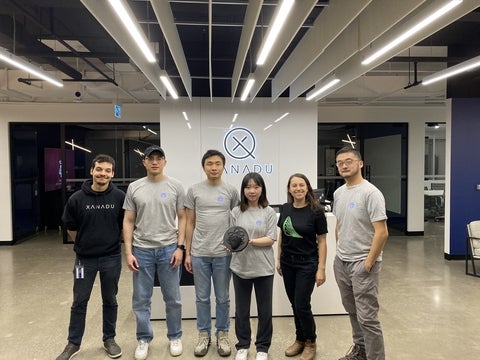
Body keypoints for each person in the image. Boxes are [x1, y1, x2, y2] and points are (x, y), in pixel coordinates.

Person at [57, 154, 125, 360]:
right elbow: (71, 228)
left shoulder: (119, 197)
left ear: (112, 174)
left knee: (110, 300)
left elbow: (125, 226)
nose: (102, 174)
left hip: (111, 258)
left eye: (107, 170)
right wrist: (85, 244)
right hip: (83, 260)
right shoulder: (77, 198)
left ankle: (109, 339)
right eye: (99, 169)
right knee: (79, 300)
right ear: (92, 171)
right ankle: (73, 343)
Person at [123, 145, 186, 360]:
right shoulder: (134, 187)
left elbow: (183, 217)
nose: (155, 162)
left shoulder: (176, 186)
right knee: (141, 299)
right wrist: (129, 252)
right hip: (142, 250)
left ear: (165, 162)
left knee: (173, 298)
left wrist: (180, 247)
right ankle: (143, 339)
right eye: (151, 158)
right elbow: (129, 220)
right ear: (144, 162)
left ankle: (175, 336)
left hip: (169, 248)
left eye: (159, 158)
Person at [333, 146, 388, 360]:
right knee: (353, 311)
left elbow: (382, 233)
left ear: (360, 163)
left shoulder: (371, 193)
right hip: (343, 261)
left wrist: (368, 262)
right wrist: (340, 252)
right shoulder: (339, 193)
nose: (344, 165)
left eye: (348, 161)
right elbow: (340, 225)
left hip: (362, 262)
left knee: (368, 318)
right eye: (340, 163)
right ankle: (360, 350)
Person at [184, 149, 239, 357]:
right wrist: (187, 252)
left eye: (217, 163)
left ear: (223, 166)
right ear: (203, 166)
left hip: (223, 254)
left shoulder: (231, 191)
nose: (214, 167)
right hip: (199, 253)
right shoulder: (194, 190)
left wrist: (233, 245)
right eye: (209, 163)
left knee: (223, 297)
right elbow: (189, 222)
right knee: (201, 297)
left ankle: (222, 334)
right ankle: (203, 334)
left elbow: (236, 222)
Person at [276, 173, 328, 360]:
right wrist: (278, 259)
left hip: (307, 264)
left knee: (302, 304)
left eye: (301, 185)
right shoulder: (286, 208)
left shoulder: (316, 211)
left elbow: (322, 241)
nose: (298, 188)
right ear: (289, 189)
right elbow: (283, 234)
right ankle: (299, 339)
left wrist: (321, 268)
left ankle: (310, 342)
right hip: (288, 263)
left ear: (307, 188)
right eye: (294, 185)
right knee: (294, 304)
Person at [229, 173, 277, 360]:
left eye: (256, 187)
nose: (252, 191)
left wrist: (249, 241)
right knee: (241, 310)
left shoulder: (269, 212)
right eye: (248, 187)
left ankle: (262, 348)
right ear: (243, 190)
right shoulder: (236, 212)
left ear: (262, 189)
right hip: (240, 268)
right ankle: (242, 345)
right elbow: (231, 236)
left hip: (264, 269)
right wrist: (232, 244)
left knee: (265, 311)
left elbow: (271, 239)